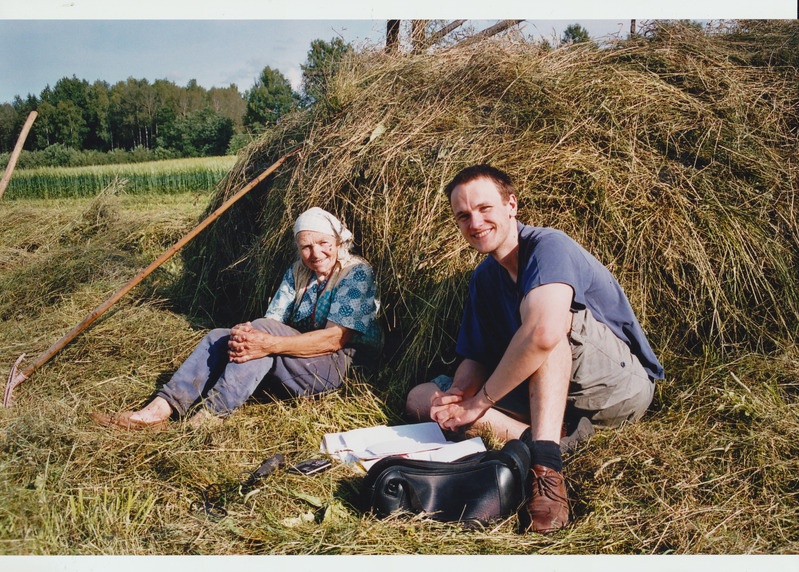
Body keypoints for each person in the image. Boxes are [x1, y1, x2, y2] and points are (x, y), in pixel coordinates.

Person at [405, 165, 664, 534]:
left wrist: (480, 404)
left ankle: (546, 472)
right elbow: (476, 355)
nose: (474, 223)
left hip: (617, 388)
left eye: (484, 209)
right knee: (421, 399)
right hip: (550, 391)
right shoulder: (484, 277)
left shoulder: (549, 246)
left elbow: (544, 333)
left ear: (511, 204)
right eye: (463, 216)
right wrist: (458, 396)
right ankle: (550, 439)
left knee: (546, 322)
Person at [93, 207, 381, 430]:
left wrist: (266, 342)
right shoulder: (299, 271)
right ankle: (158, 410)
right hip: (300, 358)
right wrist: (247, 332)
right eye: (306, 246)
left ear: (338, 240)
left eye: (323, 243)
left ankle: (210, 416)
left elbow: (335, 339)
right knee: (220, 335)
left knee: (261, 336)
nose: (315, 253)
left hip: (339, 366)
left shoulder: (355, 273)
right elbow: (273, 318)